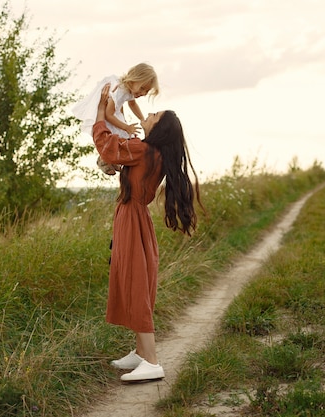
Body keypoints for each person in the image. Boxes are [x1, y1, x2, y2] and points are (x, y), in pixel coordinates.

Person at [92, 82, 201, 382]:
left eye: (153, 115)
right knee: (132, 280)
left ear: (160, 129)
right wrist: (111, 164)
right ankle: (141, 353)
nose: (147, 115)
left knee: (136, 284)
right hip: (134, 217)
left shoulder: (143, 150)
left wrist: (101, 113)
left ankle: (151, 362)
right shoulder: (153, 153)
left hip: (132, 218)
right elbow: (115, 157)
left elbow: (107, 145)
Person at [72, 63, 159, 175]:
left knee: (124, 137)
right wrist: (126, 127)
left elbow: (132, 105)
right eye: (142, 88)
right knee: (118, 136)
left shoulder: (131, 90)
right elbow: (109, 115)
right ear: (133, 79)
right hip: (108, 114)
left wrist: (142, 119)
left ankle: (113, 159)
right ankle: (104, 159)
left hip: (114, 112)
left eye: (146, 91)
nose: (142, 93)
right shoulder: (120, 90)